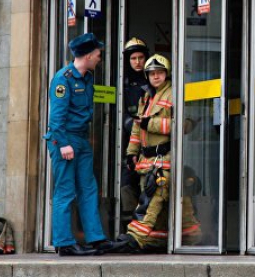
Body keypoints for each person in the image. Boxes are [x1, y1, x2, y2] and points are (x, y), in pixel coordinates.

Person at [44, 33, 127, 256]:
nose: (100, 57)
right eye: (98, 54)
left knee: (89, 189)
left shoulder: (87, 77)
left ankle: (96, 239)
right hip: (65, 139)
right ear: (89, 55)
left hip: (80, 138)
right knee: (65, 191)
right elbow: (56, 117)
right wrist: (63, 144)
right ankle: (64, 243)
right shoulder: (63, 79)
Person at [119, 54, 202, 253]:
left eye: (160, 73)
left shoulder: (175, 93)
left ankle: (136, 236)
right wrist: (131, 153)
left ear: (167, 74)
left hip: (164, 158)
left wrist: (152, 123)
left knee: (152, 198)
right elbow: (138, 128)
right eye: (152, 73)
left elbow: (185, 124)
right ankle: (183, 237)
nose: (156, 76)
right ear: (147, 76)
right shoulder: (146, 96)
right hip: (146, 159)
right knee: (173, 204)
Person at [120, 37, 150, 226]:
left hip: (151, 141)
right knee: (126, 181)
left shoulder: (154, 79)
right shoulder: (122, 82)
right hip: (127, 141)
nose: (137, 62)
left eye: (140, 57)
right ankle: (128, 225)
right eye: (133, 58)